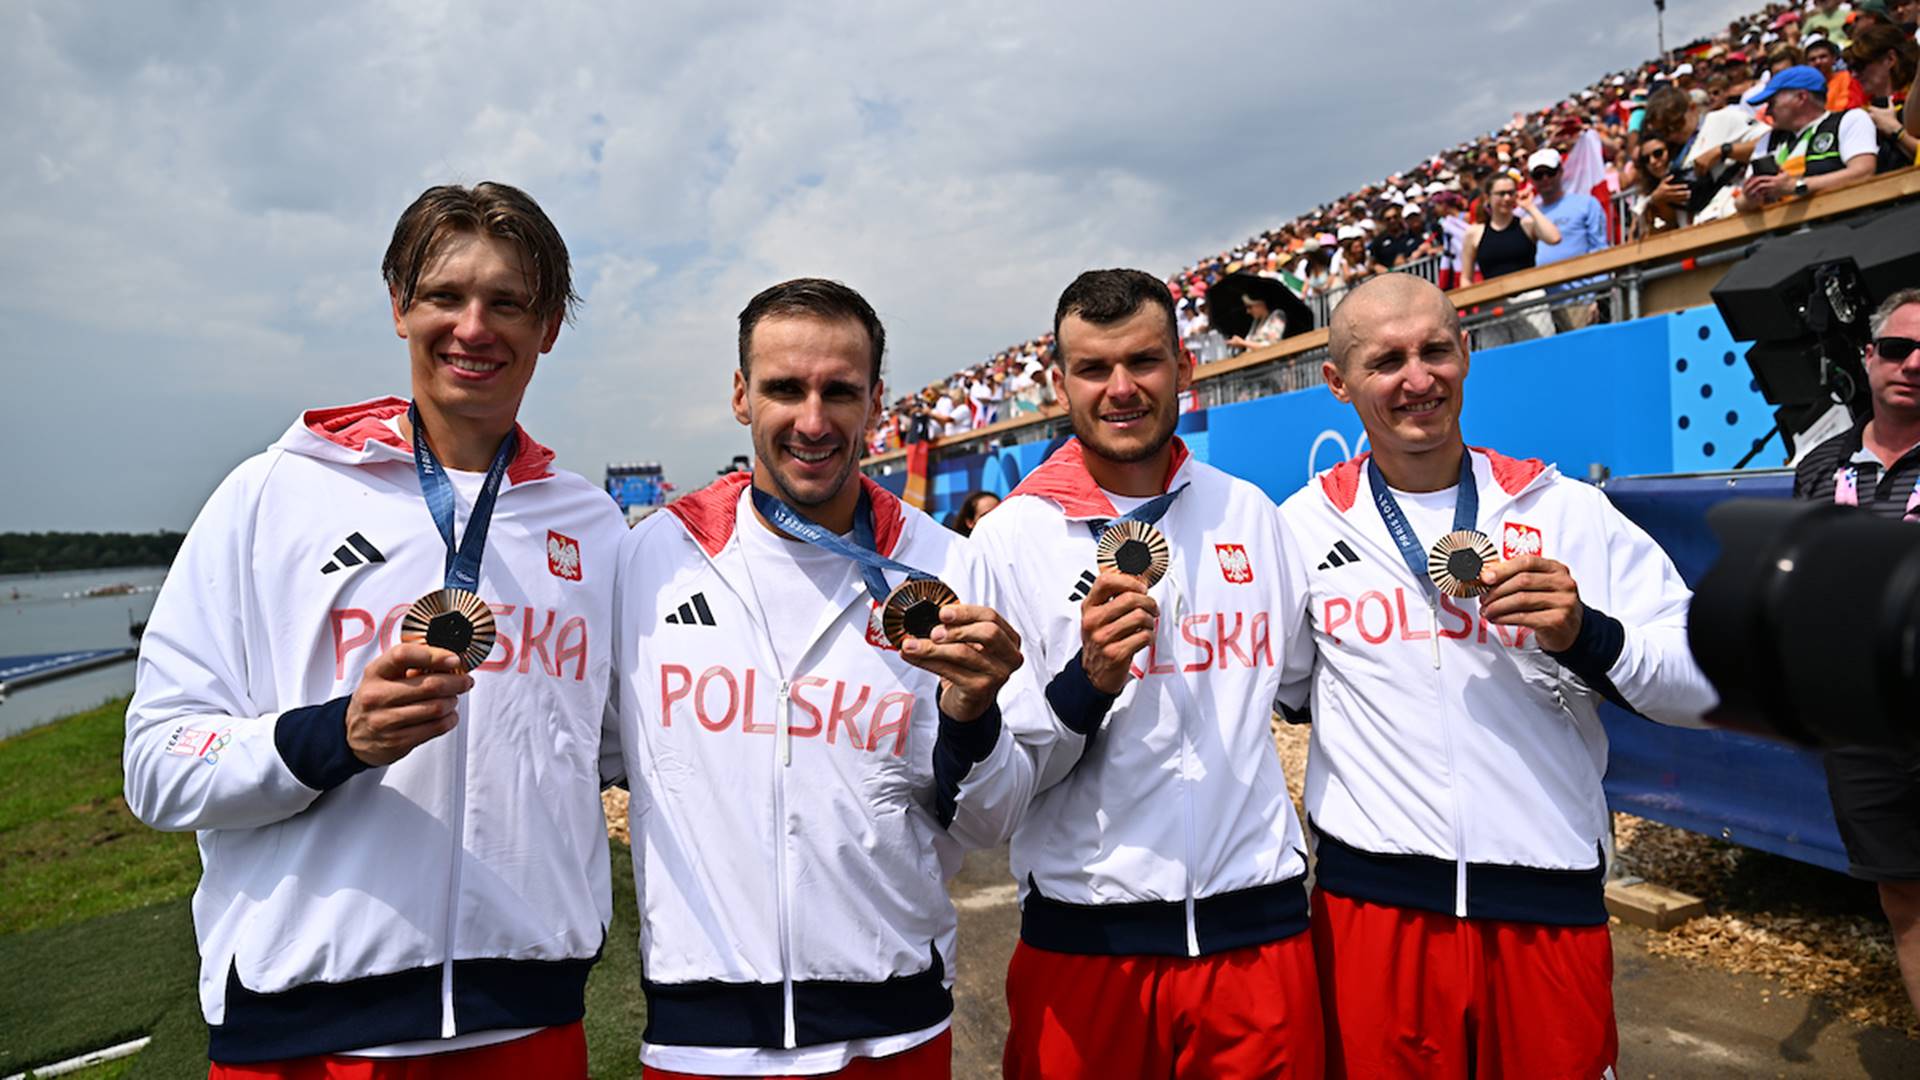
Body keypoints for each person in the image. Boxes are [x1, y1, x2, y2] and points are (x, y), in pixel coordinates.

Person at [123, 182, 626, 1076]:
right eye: (444, 296)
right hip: (308, 1035)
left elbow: (624, 748)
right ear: (399, 307)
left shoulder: (591, 525)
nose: (474, 327)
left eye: (508, 302)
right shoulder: (273, 493)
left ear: (547, 327)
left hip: (531, 1026)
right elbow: (157, 763)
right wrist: (332, 738)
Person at [1277, 273, 1717, 1077]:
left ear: (1467, 353)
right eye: (1387, 361)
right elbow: (1288, 689)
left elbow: (1703, 679)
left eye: (1435, 350)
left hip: (1546, 906)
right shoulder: (1299, 528)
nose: (1419, 379)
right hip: (1374, 913)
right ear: (1338, 383)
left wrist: (1591, 637)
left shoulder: (1562, 508)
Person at [609, 278, 1034, 1079]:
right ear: (740, 395)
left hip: (893, 1031)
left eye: (839, 390)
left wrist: (973, 714)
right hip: (702, 1040)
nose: (812, 420)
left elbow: (990, 821)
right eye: (783, 389)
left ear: (876, 401)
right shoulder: (651, 559)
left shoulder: (948, 564)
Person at [969, 269, 1324, 1078]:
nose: (1120, 388)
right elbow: (1003, 781)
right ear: (1061, 384)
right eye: (1094, 369)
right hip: (1091, 948)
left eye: (1144, 362)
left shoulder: (1251, 514)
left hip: (1257, 944)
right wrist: (1086, 680)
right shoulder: (1009, 539)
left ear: (1185, 367)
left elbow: (1304, 688)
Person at [1792, 288, 1920, 1020]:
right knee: (1903, 896)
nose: (1914, 364)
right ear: (1868, 357)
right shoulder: (1819, 469)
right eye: (1898, 348)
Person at [1735, 65, 1879, 213]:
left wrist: (1797, 186)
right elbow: (1740, 202)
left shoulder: (1849, 120)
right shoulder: (1768, 140)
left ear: (1801, 97)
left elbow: (1863, 172)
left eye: (1772, 103)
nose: (1767, 111)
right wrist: (1749, 198)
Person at [1526, 148, 1610, 331]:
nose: (1545, 179)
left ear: (1561, 171)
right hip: (1544, 307)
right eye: (1539, 175)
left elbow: (1600, 249)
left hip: (1582, 299)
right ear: (1532, 179)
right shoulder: (1529, 216)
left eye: (1550, 172)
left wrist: (1596, 296)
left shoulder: (1586, 204)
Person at [1459, 172, 1561, 284]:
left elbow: (1554, 238)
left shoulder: (1526, 224)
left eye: (1511, 193)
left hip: (1531, 294)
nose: (1507, 198)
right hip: (1495, 298)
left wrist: (1530, 207)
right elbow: (1466, 277)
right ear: (1487, 197)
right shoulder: (1474, 233)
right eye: (1501, 194)